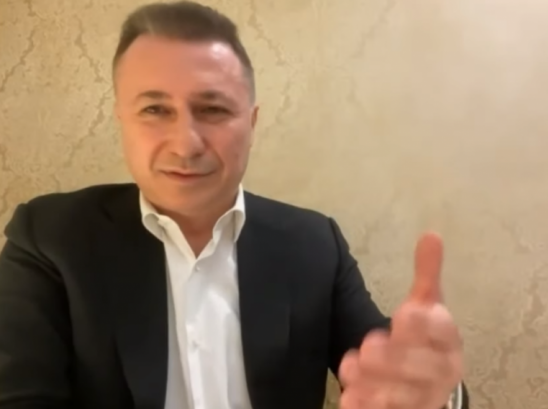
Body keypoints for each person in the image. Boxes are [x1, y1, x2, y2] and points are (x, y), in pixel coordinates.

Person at [0, 2, 469, 409]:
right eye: (155, 110)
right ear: (122, 118)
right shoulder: (49, 238)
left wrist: (430, 390)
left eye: (213, 109)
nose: (185, 144)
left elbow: (388, 368)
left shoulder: (314, 244)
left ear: (252, 122)